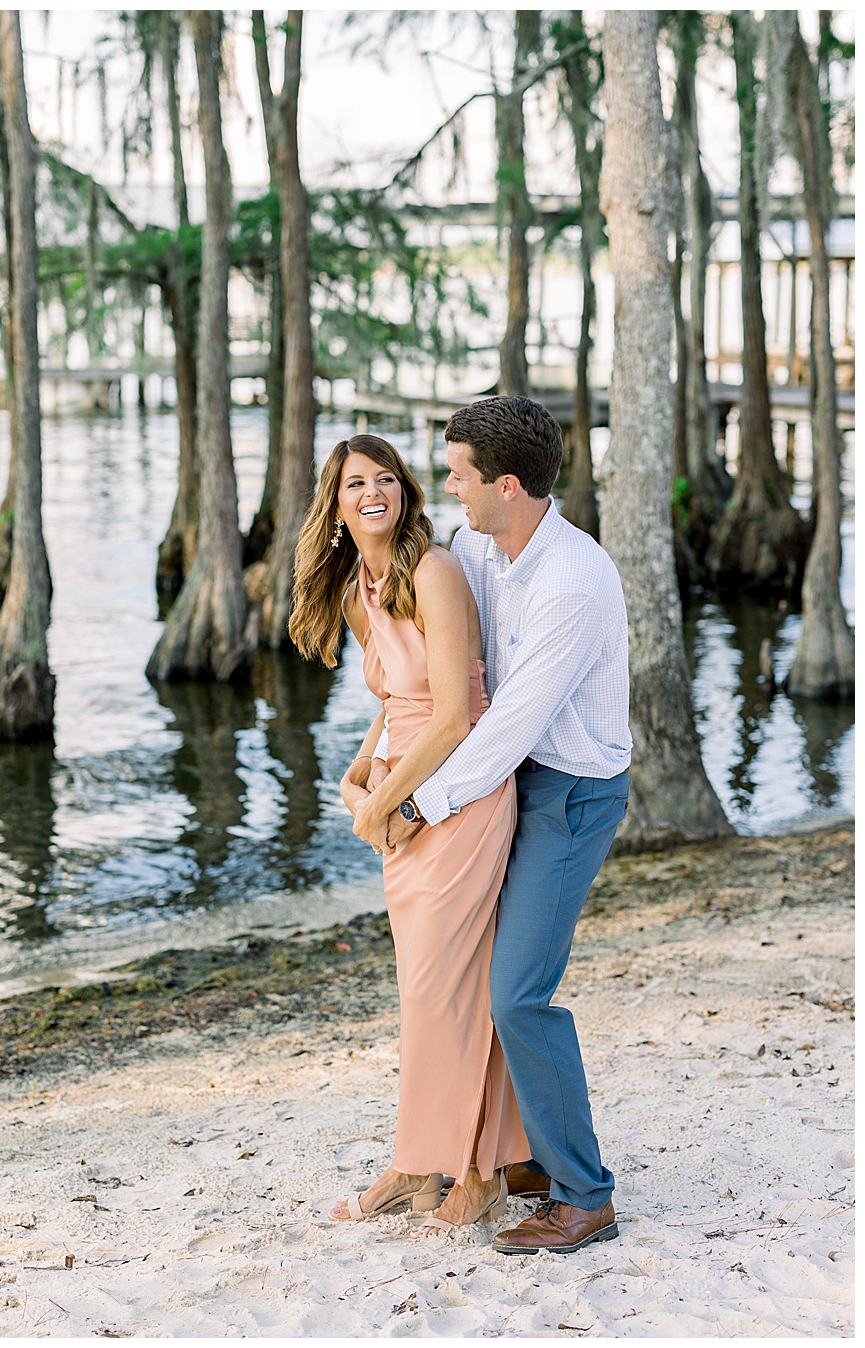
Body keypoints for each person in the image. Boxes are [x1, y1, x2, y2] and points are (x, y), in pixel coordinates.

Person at [378, 396, 631, 1255]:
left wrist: (418, 805)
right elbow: (450, 673)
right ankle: (509, 1158)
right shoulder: (478, 549)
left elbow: (507, 725)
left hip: (568, 796)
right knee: (471, 976)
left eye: (457, 475)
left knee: (518, 994)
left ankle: (584, 1194)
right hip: (504, 787)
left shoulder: (576, 580)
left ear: (508, 484)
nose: (446, 487)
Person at [289, 434, 531, 1240]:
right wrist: (359, 775)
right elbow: (396, 701)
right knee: (429, 993)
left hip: (461, 795)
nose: (372, 492)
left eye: (384, 478)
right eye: (355, 483)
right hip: (405, 797)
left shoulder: (434, 572)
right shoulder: (366, 588)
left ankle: (469, 1172)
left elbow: (458, 716)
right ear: (336, 506)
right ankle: (424, 1161)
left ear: (405, 491)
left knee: (445, 992)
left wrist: (381, 802)